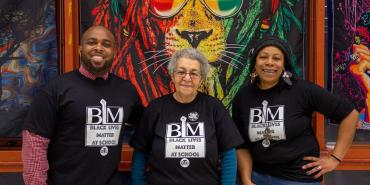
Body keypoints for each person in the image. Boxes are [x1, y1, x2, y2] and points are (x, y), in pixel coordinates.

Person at [22, 25, 143, 185]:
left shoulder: (127, 91)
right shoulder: (56, 88)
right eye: (91, 42)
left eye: (106, 44)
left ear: (114, 52)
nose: (98, 48)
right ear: (80, 49)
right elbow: (35, 141)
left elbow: (148, 126)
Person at [232, 36, 359, 185]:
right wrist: (247, 179)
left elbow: (350, 115)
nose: (270, 62)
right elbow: (241, 145)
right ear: (255, 63)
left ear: (284, 64)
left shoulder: (302, 90)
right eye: (263, 57)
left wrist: (335, 158)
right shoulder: (243, 96)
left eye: (277, 58)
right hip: (257, 176)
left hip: (297, 179)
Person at [130, 48, 244, 185]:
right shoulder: (155, 108)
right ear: (172, 75)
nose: (187, 78)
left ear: (201, 78)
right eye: (181, 72)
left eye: (194, 73)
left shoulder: (214, 108)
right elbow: (140, 155)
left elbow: (228, 154)